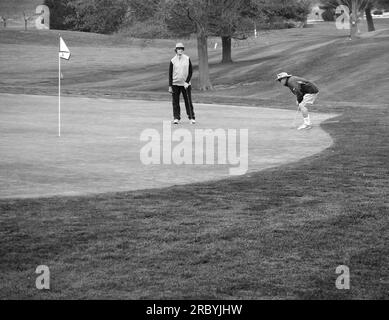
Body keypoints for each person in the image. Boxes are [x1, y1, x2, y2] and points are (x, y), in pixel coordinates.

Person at [169, 42, 196, 124]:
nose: (180, 50)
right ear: (176, 50)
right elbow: (170, 74)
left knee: (188, 101)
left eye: (181, 49)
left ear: (183, 50)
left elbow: (191, 71)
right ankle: (176, 118)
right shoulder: (173, 60)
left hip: (185, 84)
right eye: (178, 49)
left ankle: (191, 117)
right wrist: (170, 86)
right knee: (175, 101)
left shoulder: (187, 59)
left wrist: (187, 82)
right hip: (175, 84)